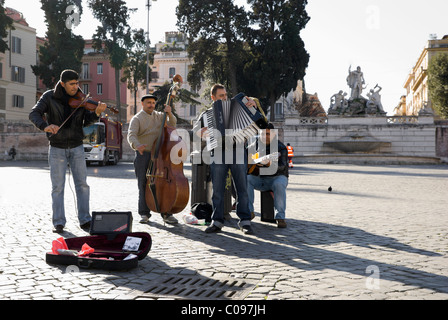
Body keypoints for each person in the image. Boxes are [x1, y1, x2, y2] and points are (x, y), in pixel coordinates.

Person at [29, 69, 107, 233]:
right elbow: (34, 113)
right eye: (72, 84)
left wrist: (97, 113)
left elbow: (87, 121)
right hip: (57, 147)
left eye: (77, 83)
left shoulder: (81, 99)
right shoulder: (49, 96)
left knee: (83, 185)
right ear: (62, 84)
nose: (76, 87)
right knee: (57, 187)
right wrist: (46, 126)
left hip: (77, 146)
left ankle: (85, 220)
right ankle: (58, 222)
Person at [193, 84, 257, 235]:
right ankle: (217, 221)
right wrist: (200, 132)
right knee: (218, 190)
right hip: (218, 153)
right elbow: (195, 131)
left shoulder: (239, 109)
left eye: (225, 95)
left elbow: (258, 121)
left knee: (242, 188)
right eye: (221, 96)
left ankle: (245, 221)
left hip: (238, 151)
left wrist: (253, 107)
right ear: (213, 97)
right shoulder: (206, 115)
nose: (224, 98)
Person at [127, 94, 178, 225]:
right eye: (148, 102)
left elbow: (173, 124)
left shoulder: (160, 116)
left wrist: (169, 114)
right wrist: (137, 145)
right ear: (142, 104)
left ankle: (166, 213)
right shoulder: (137, 119)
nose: (151, 105)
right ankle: (144, 213)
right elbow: (131, 135)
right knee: (143, 184)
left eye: (153, 102)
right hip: (143, 154)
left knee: (163, 184)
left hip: (160, 155)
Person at [247, 123, 289, 228]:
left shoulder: (281, 147)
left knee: (279, 184)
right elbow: (245, 160)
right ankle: (249, 212)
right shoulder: (254, 146)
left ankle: (280, 217)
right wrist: (249, 161)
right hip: (258, 178)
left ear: (273, 135)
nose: (265, 137)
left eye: (268, 134)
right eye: (262, 134)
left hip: (276, 178)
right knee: (246, 179)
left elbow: (283, 167)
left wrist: (271, 164)